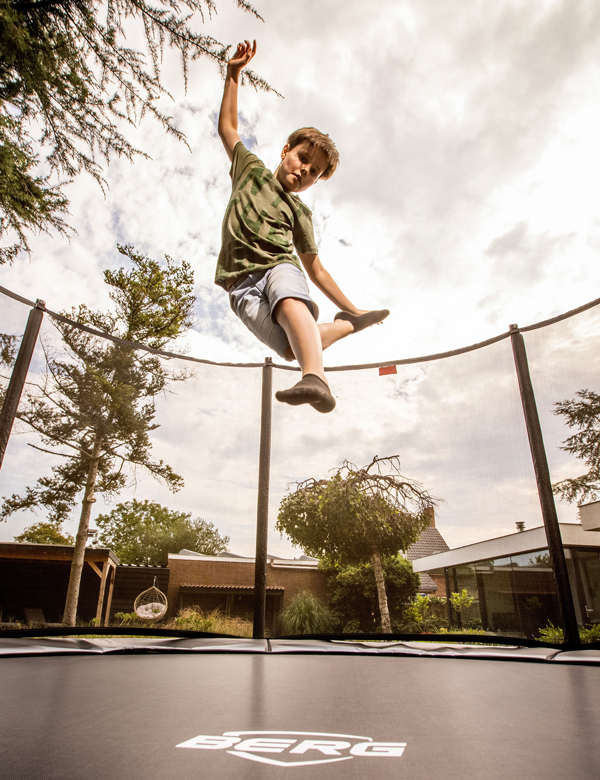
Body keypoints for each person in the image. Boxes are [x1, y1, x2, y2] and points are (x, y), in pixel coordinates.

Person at [216, 40, 389, 413]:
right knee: (293, 346)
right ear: (285, 151)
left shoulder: (299, 213)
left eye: (313, 172)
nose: (304, 171)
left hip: (278, 266)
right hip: (239, 285)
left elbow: (316, 270)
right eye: (302, 159)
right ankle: (347, 328)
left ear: (317, 181)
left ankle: (317, 378)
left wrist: (353, 306)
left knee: (290, 301)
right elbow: (228, 128)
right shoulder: (251, 171)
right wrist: (233, 75)